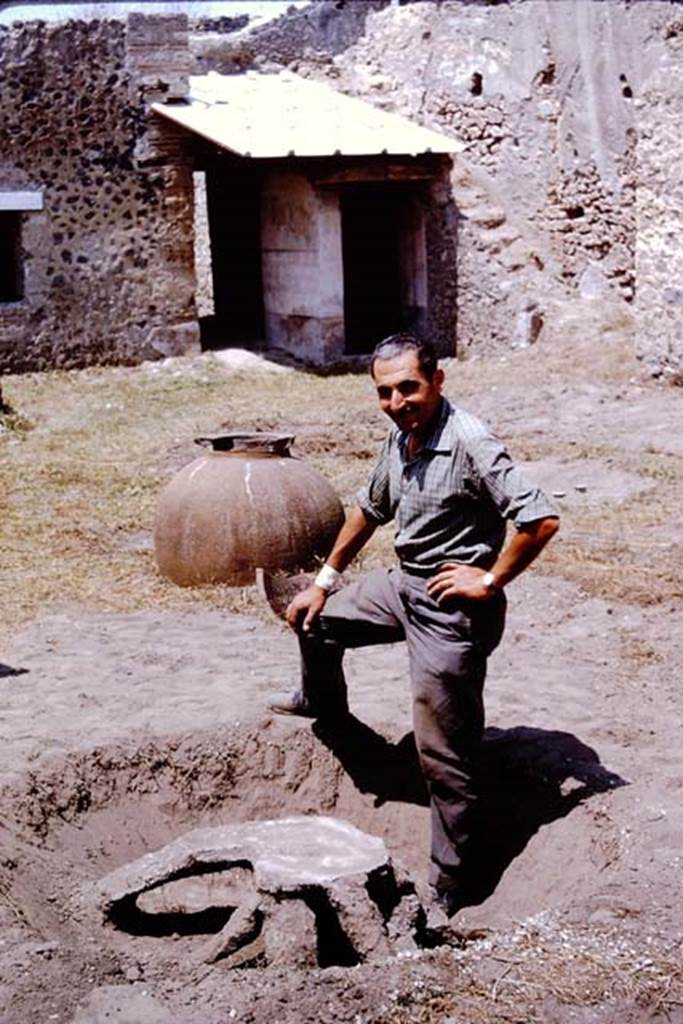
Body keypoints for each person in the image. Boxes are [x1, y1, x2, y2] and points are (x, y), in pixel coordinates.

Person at [269, 333, 559, 914]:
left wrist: (489, 579)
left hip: (454, 611)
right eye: (385, 392)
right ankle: (321, 702)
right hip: (404, 585)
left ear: (437, 381)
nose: (398, 401)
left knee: (443, 758)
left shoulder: (471, 441)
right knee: (312, 619)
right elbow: (370, 509)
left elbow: (540, 519)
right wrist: (325, 582)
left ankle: (453, 885)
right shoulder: (401, 437)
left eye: (409, 388)